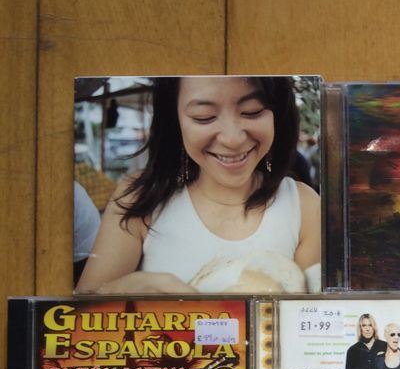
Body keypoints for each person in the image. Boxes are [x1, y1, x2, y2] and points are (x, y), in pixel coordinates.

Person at [76, 76, 321, 295]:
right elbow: (81, 314)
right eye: (204, 117)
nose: (232, 139)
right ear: (175, 120)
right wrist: (127, 290)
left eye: (251, 111)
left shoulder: (304, 206)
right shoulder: (139, 197)